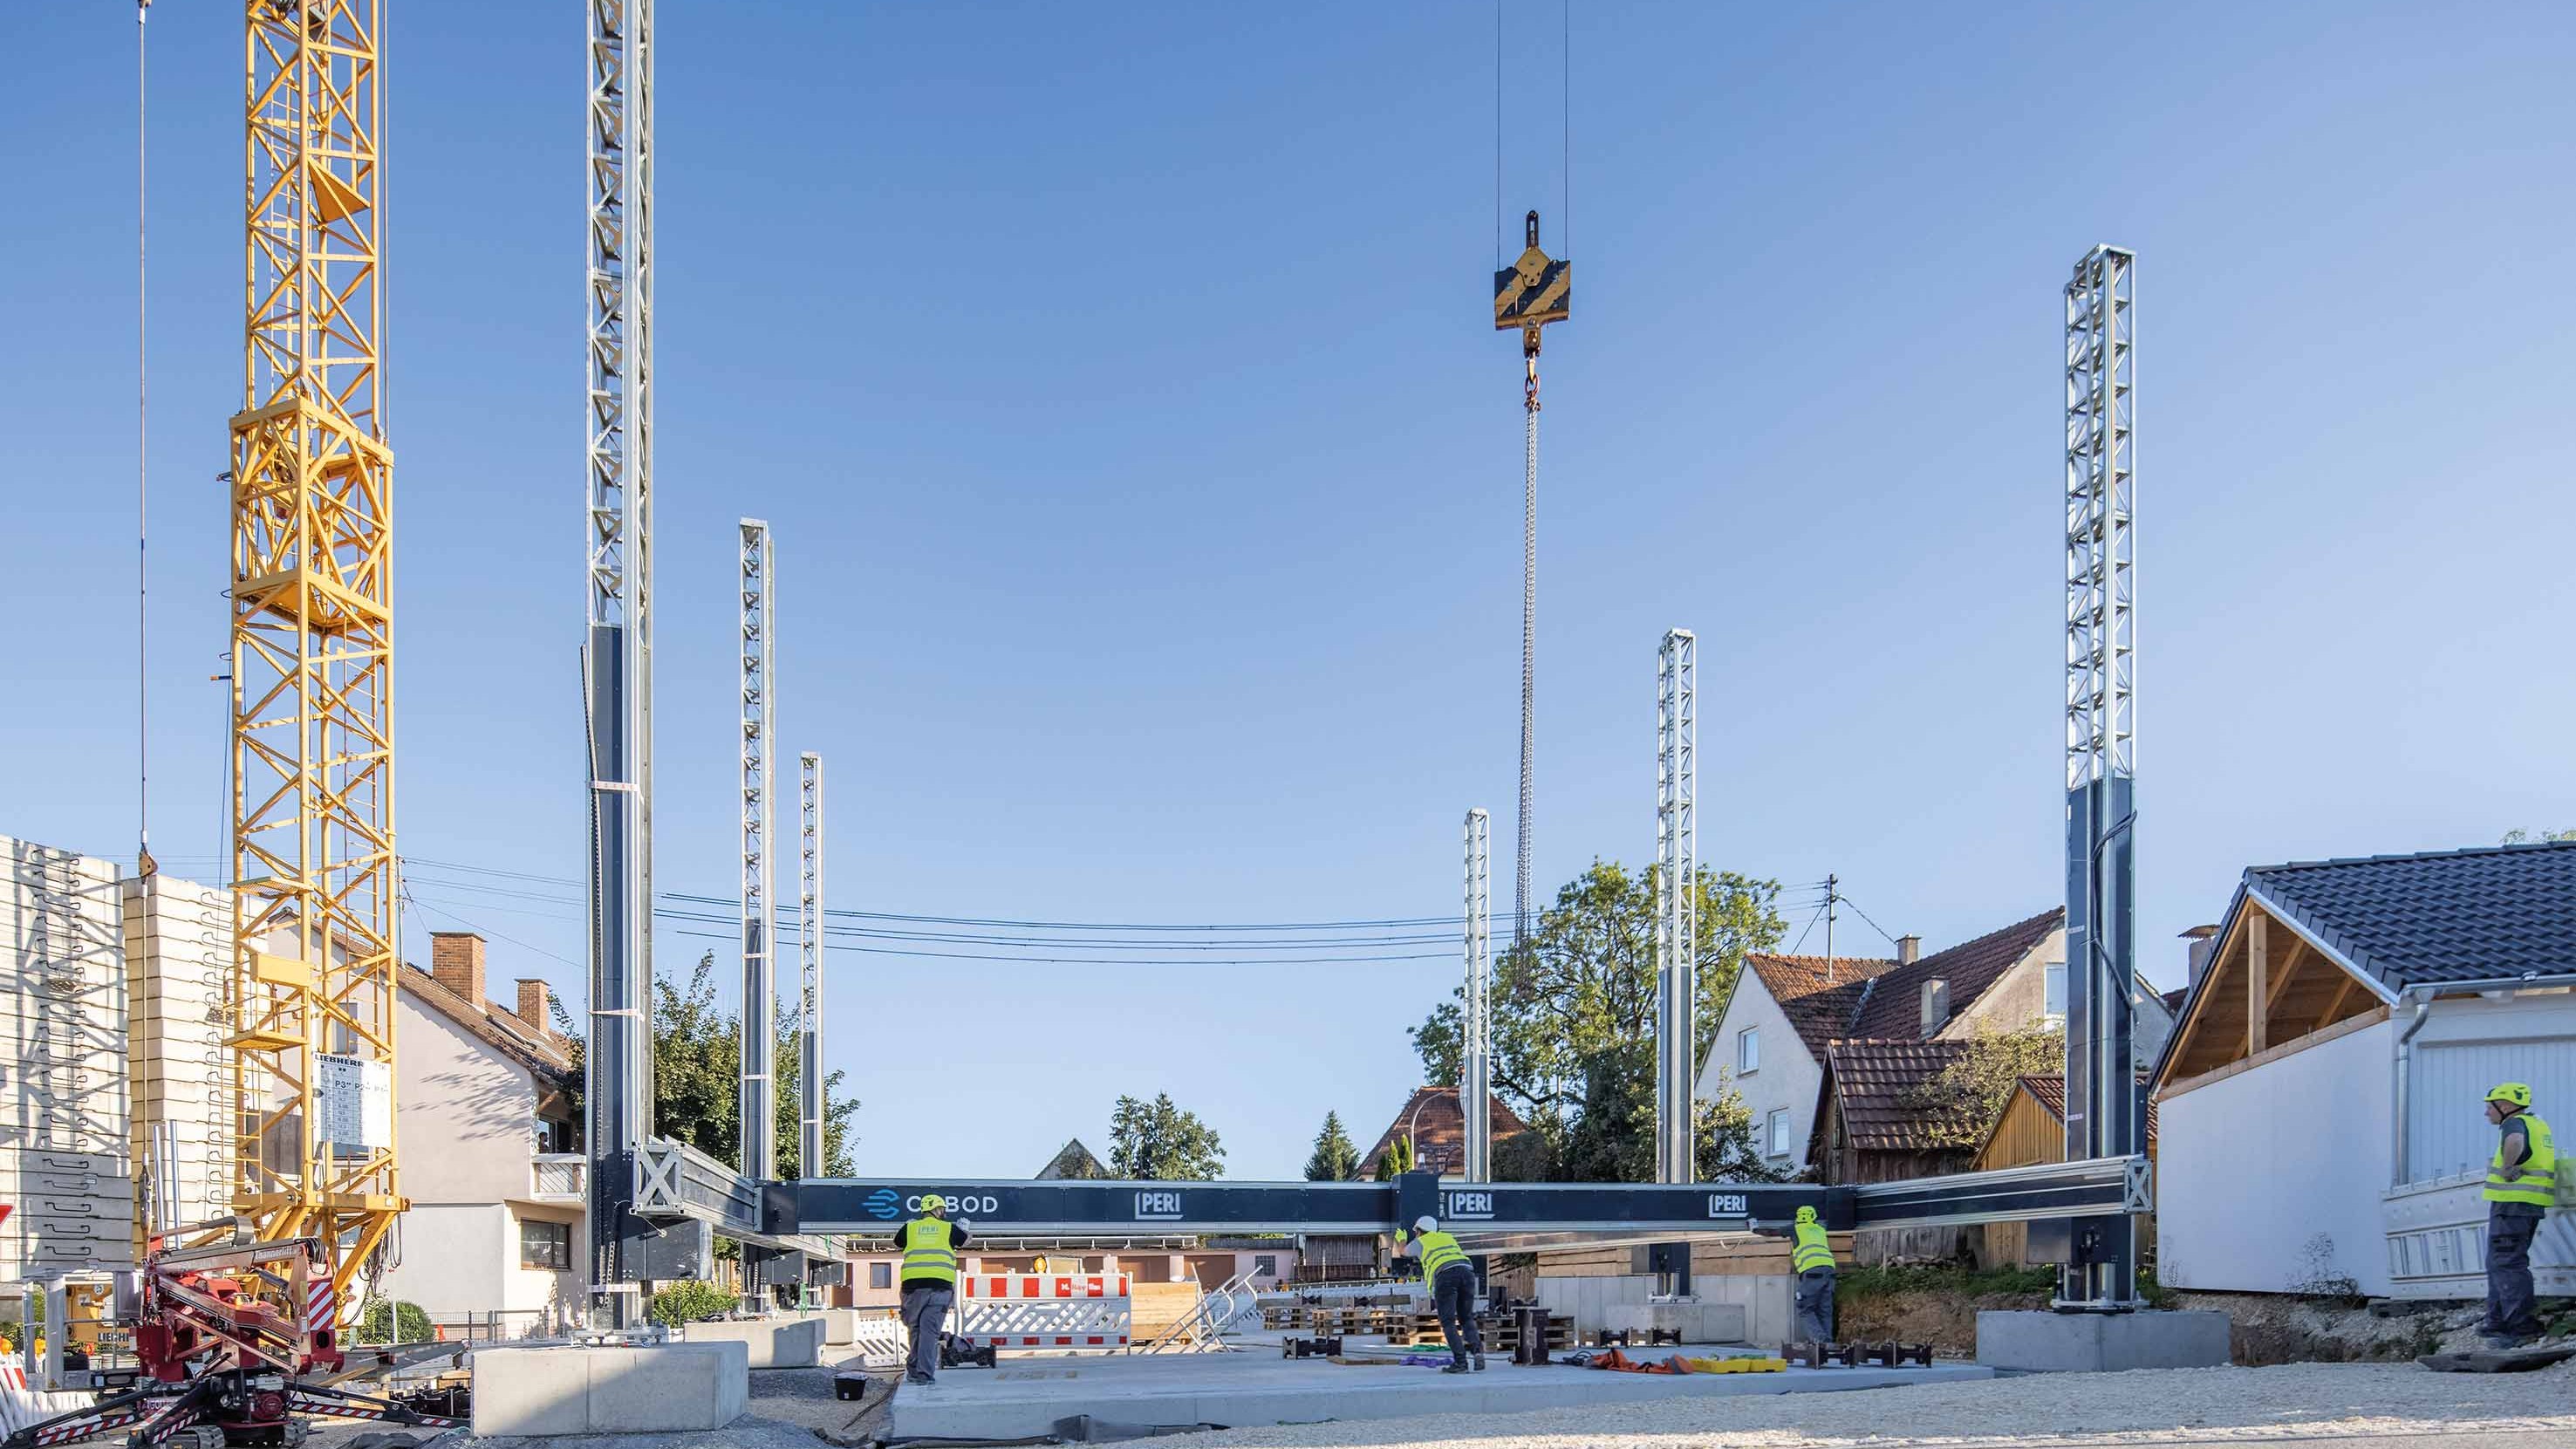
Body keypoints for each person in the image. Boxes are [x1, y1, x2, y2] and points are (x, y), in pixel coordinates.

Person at [2479, 1083, 2554, 1348]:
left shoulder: (2514, 1124)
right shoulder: (2538, 1124)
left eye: (2490, 1107)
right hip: (2526, 1205)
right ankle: (2497, 1322)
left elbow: (2514, 1142)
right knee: (2500, 1262)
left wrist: (2508, 1167)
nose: (2487, 1113)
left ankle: (2521, 1329)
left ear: (2507, 1106)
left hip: (2512, 1204)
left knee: (2507, 1264)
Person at [896, 1194, 971, 1384]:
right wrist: (964, 1229)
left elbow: (898, 1242)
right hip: (939, 1287)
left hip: (912, 1288)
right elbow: (964, 1241)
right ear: (939, 1209)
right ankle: (924, 1374)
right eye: (943, 1209)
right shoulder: (948, 1228)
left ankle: (913, 1370)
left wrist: (908, 1227)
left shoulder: (911, 1227)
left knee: (915, 1329)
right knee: (929, 1332)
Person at [1397, 1214, 1486, 1373]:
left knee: (1448, 1322)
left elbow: (1403, 1252)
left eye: (1416, 1231)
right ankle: (1478, 1353)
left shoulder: (1421, 1241)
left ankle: (1460, 1363)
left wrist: (1401, 1239)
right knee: (1466, 1317)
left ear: (1419, 1231)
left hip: (1446, 1276)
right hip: (1467, 1272)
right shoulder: (1447, 1237)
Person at [1790, 1205, 1836, 1346]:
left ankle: (1820, 1341)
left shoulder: (1795, 1229)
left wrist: (1753, 1227)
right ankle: (1828, 1343)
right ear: (1814, 1216)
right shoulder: (1820, 1230)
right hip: (1829, 1271)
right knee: (1824, 1310)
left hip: (1812, 1272)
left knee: (1804, 1308)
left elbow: (1770, 1231)